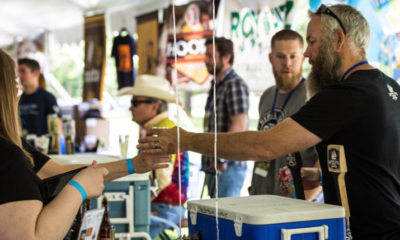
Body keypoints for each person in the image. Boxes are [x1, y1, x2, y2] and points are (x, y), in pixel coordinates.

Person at [138, 4, 400, 239]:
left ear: (339, 40)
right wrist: (321, 174)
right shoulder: (388, 86)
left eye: (311, 42)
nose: (307, 53)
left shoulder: (346, 94)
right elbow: (378, 163)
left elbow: (267, 146)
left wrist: (186, 140)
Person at [0, 49, 171, 239]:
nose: (19, 90)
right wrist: (78, 188)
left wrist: (133, 165)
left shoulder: (13, 146)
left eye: (135, 102)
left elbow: (56, 171)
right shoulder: (7, 153)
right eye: (15, 83)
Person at [250, 29, 323, 202]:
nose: (287, 63)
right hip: (261, 198)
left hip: (294, 204)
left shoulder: (314, 96)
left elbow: (325, 155)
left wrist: (305, 199)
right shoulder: (267, 96)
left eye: (293, 56)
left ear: (303, 58)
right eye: (281, 56)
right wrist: (254, 189)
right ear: (271, 58)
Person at [118, 75, 189, 239]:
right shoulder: (162, 127)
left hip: (166, 207)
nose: (131, 108)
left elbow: (161, 179)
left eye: (135, 103)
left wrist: (141, 203)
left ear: (154, 107)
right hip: (167, 204)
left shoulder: (162, 130)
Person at [202, 37, 249, 198]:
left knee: (224, 219)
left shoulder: (233, 84)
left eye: (210, 55)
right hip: (216, 166)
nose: (205, 60)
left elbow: (239, 125)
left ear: (226, 57)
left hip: (228, 167)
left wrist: (222, 159)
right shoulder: (217, 85)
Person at [18, 58, 60, 136]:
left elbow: (58, 127)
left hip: (41, 146)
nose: (19, 75)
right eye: (18, 71)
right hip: (20, 145)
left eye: (23, 71)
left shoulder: (48, 98)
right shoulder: (17, 99)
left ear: (35, 73)